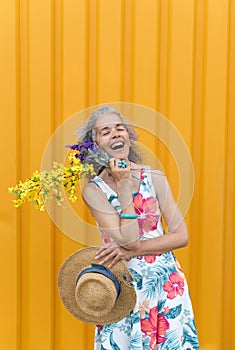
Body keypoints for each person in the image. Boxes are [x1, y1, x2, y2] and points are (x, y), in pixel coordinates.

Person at [80, 105, 199, 349]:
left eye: (120, 128)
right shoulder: (93, 191)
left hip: (165, 285)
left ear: (129, 137)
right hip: (122, 288)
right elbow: (129, 239)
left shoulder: (154, 177)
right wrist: (124, 186)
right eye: (105, 131)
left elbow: (181, 235)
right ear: (94, 145)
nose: (115, 134)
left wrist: (132, 251)